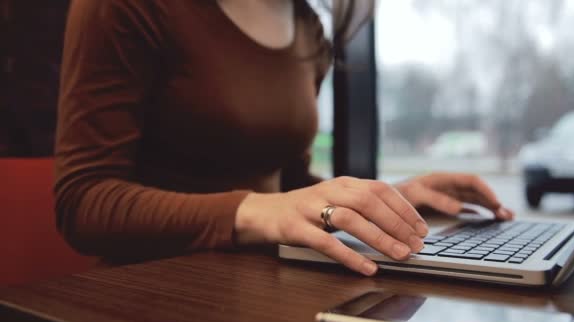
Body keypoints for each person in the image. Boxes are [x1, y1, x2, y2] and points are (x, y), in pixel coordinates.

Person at [55, 0, 514, 275]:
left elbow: (289, 180)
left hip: (261, 278)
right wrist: (254, 209)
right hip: (157, 291)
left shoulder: (306, 26)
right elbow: (84, 202)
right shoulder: (127, 8)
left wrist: (388, 200)